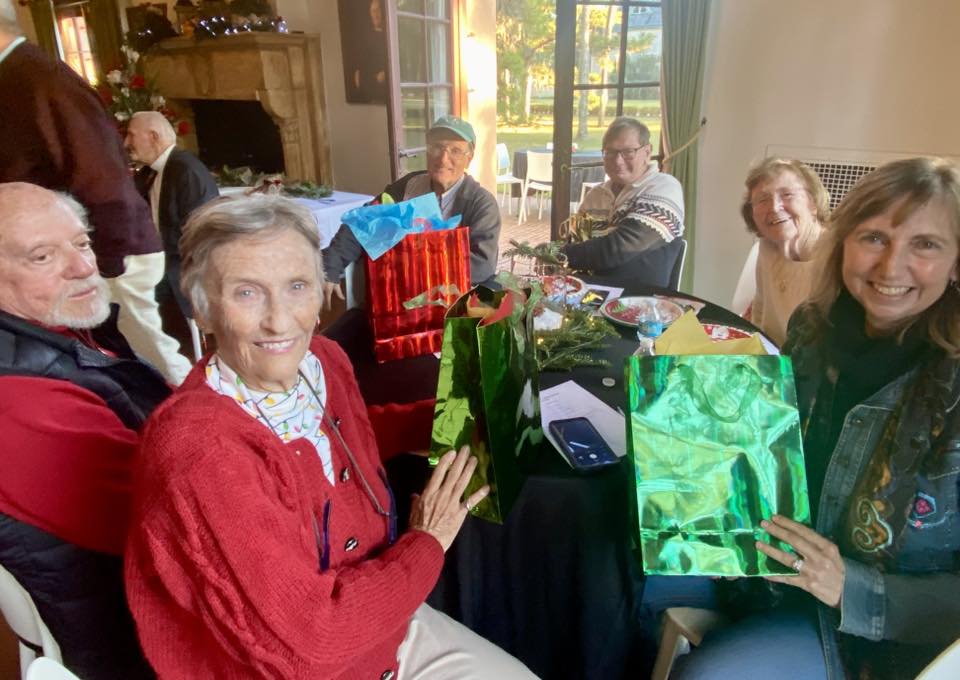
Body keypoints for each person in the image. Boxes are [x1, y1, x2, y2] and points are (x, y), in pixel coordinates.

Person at [124, 195, 536, 679]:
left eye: (297, 286)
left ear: (323, 292)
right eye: (246, 292)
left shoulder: (322, 359)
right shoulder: (200, 454)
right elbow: (312, 645)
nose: (280, 320)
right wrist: (429, 539)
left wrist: (447, 417)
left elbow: (348, 433)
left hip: (382, 626)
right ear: (202, 309)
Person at [664, 157, 960, 680]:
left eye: (926, 245)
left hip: (864, 635)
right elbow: (771, 451)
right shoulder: (810, 328)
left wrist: (851, 588)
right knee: (606, 549)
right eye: (874, 238)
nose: (891, 267)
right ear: (843, 243)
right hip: (761, 568)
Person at [0, 182, 169, 678]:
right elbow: (174, 522)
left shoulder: (54, 329)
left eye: (82, 242)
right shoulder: (18, 401)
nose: (82, 266)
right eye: (42, 256)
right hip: (141, 639)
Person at [0, 5, 192, 384]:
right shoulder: (18, 76)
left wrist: (103, 260)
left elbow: (102, 176)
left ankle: (197, 415)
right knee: (115, 354)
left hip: (109, 249)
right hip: (79, 250)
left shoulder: (42, 81)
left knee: (152, 356)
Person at [322, 115, 501, 307]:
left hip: (449, 305)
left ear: (469, 158)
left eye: (455, 151)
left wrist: (410, 265)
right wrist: (330, 266)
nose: (443, 159)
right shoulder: (408, 186)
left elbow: (482, 266)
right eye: (437, 147)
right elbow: (364, 222)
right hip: (393, 299)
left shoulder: (481, 203)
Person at [561, 116, 685, 286]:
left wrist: (557, 254)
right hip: (587, 293)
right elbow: (575, 241)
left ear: (647, 152)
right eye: (610, 152)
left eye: (628, 152)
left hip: (641, 297)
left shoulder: (664, 187)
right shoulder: (595, 195)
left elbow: (619, 248)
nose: (618, 161)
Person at [126, 111, 219, 333]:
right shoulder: (151, 172)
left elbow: (201, 235)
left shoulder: (185, 170)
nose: (126, 143)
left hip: (182, 269)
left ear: (153, 137)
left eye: (131, 135)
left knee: (128, 300)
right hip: (160, 262)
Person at [741, 158, 830, 345]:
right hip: (770, 354)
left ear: (813, 203)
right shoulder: (767, 246)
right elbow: (761, 308)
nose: (774, 207)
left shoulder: (839, 258)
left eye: (787, 194)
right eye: (762, 199)